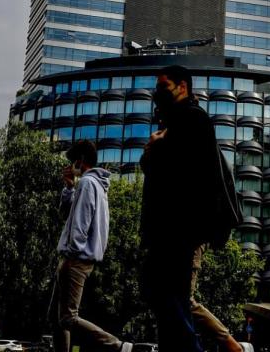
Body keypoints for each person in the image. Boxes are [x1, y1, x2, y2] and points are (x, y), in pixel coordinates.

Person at [141, 65, 222, 352]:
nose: (157, 93)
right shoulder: (175, 122)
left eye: (164, 86)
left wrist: (154, 148)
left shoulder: (192, 119)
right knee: (166, 300)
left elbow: (180, 172)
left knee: (168, 298)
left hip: (177, 231)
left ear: (183, 86)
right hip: (169, 230)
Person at [53, 140, 133, 352]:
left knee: (68, 318)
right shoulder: (95, 184)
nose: (71, 166)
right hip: (81, 257)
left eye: (72, 162)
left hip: (76, 258)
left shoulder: (88, 183)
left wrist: (71, 253)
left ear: (80, 160)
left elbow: (81, 221)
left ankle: (117, 346)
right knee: (60, 319)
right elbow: (67, 213)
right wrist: (69, 187)